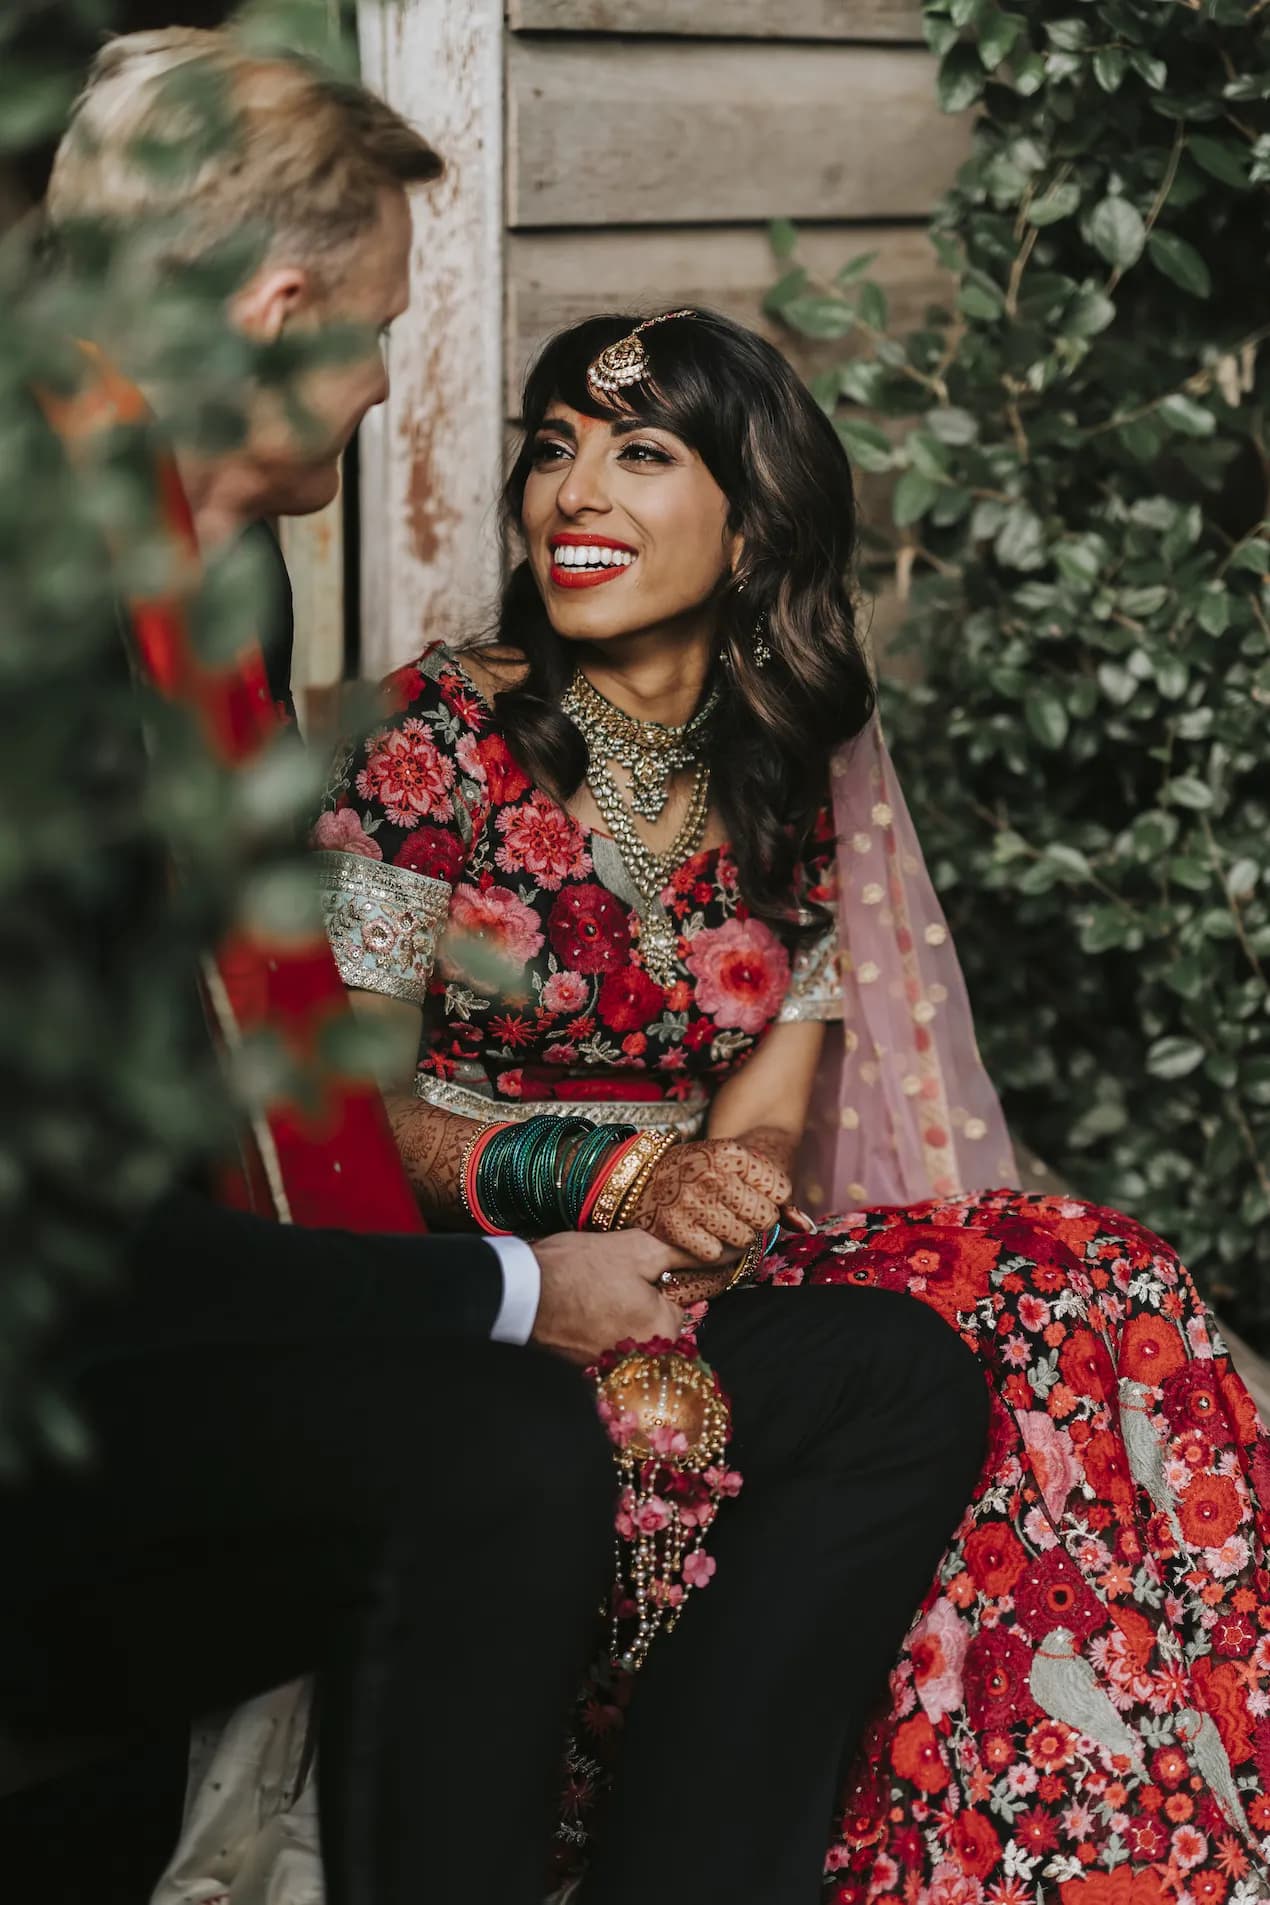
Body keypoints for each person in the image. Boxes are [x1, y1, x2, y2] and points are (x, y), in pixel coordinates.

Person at [303, 307, 1270, 1903]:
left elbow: (763, 1113)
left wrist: (718, 1200)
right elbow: (339, 1115)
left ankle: (1101, 1841)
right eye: (551, 449)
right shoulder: (436, 742)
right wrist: (610, 1182)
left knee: (1082, 1278)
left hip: (703, 1263)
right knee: (986, 1337)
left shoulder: (774, 759)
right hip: (487, 1282)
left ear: (751, 523)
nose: (574, 495)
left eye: (638, 453)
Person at [0, 35, 692, 1905]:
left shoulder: (220, 573)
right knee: (506, 1451)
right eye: (383, 322)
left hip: (145, 1315)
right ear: (279, 308)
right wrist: (511, 1286)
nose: (394, 379)